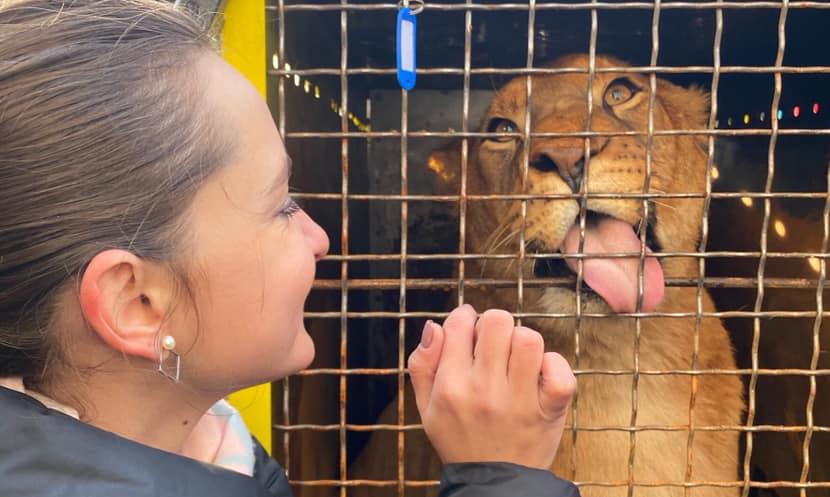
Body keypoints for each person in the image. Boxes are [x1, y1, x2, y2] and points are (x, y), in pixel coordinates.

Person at [0, 0, 579, 496]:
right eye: (281, 204)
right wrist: (505, 478)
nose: (321, 237)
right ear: (139, 303)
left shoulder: (205, 448)